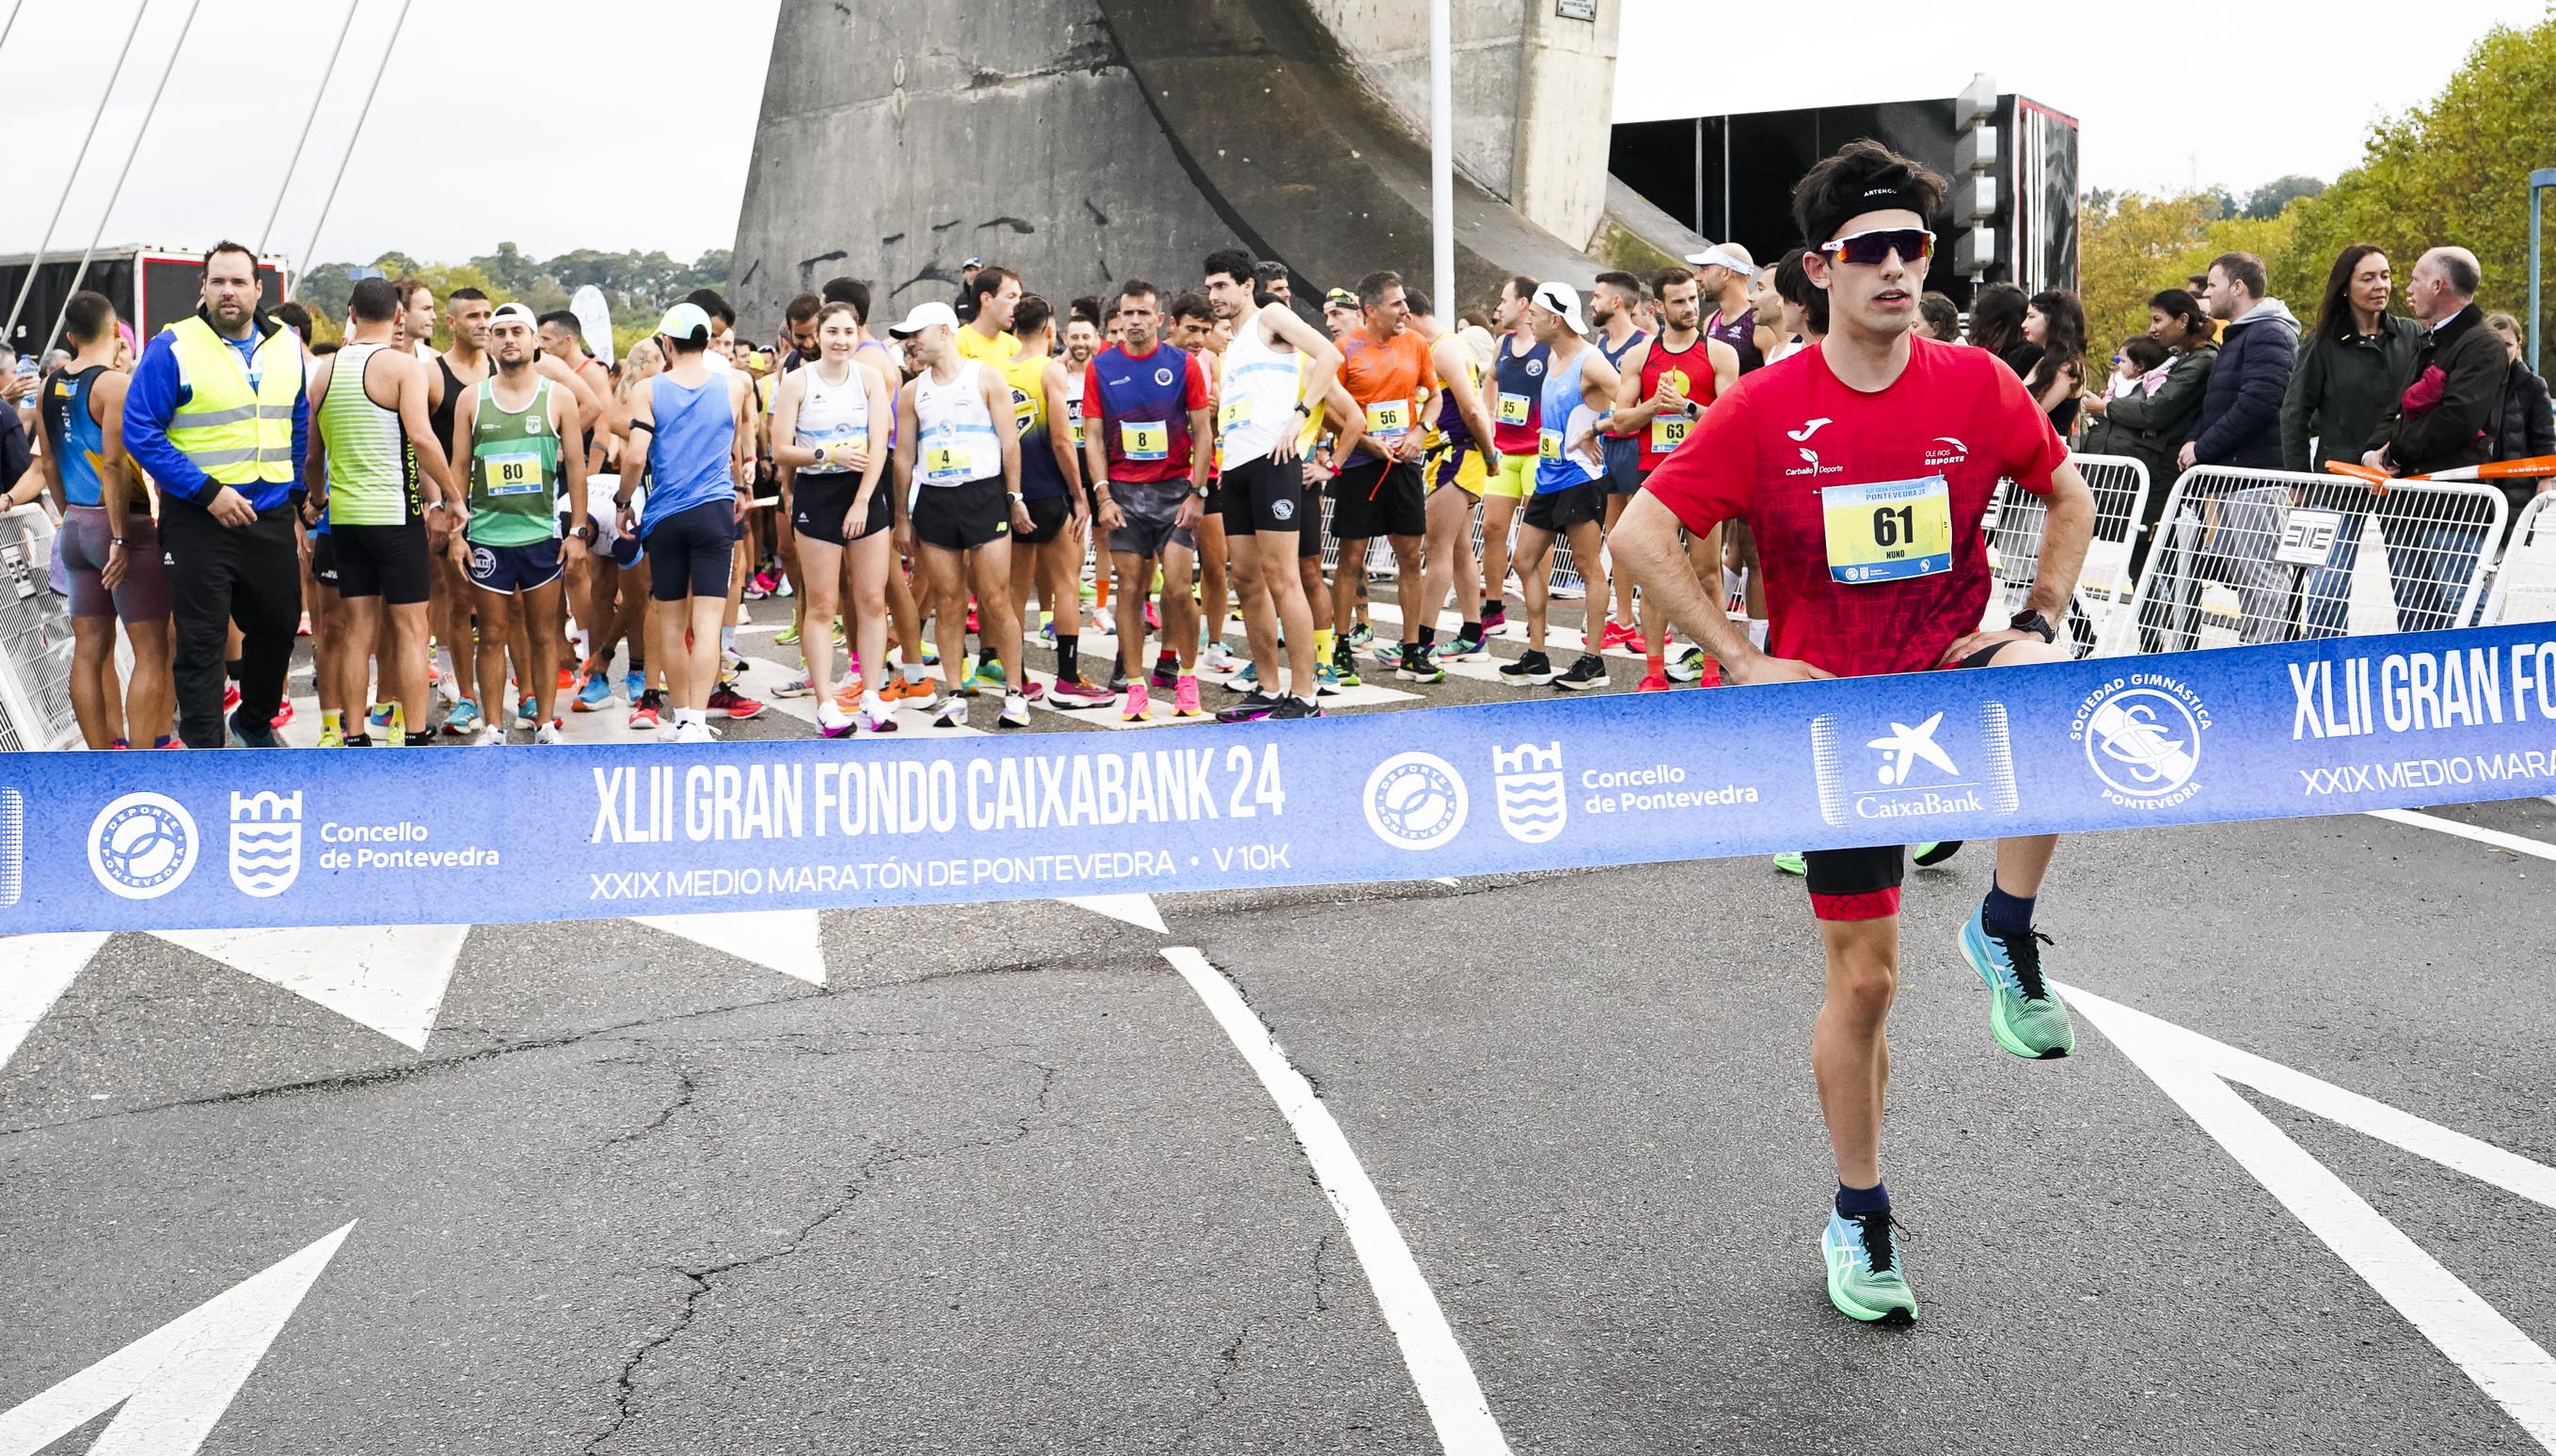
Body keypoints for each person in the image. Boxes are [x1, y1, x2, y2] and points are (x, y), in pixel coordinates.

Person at [1612, 138, 2097, 1328]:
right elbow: (1637, 536)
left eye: (1910, 249)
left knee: (2042, 681)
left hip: (1946, 668)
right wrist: (1740, 657)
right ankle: (1858, 1212)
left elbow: (2067, 494)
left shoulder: (1976, 383)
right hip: (1832, 713)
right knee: (1868, 985)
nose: (1892, 268)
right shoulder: (1766, 406)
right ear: (1820, 269)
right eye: (1866, 251)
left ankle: (2006, 921)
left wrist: (2032, 609)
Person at [119, 242, 309, 749]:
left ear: (258, 289)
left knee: (279, 624)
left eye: (239, 282)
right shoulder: (173, 346)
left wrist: (294, 492)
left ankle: (254, 719)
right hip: (198, 518)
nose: (229, 291)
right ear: (202, 287)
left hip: (267, 515)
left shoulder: (287, 343)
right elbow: (140, 432)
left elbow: (296, 417)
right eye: (218, 281)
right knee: (201, 643)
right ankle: (207, 754)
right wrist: (208, 493)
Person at [305, 277, 457, 747]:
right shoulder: (401, 367)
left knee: (357, 632)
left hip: (347, 520)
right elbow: (422, 436)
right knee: (412, 629)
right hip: (395, 516)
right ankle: (413, 733)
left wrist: (318, 499)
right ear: (397, 316)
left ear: (350, 314)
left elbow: (313, 457)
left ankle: (352, 735)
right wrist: (453, 496)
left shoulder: (324, 370)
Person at [1201, 247, 1344, 720]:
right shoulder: (1230, 344)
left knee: (1283, 577)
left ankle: (1304, 693)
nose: (1213, 295)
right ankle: (1267, 686)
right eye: (1209, 288)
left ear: (1246, 286)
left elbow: (1329, 353)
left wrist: (1301, 416)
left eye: (1221, 285)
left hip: (1274, 462)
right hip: (1238, 466)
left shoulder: (1272, 317)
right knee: (1245, 579)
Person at [31, 291, 174, 749]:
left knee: (90, 650)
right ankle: (140, 760)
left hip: (74, 523)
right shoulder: (115, 385)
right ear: (115, 332)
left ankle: (99, 758)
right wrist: (118, 538)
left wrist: (73, 513)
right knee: (152, 650)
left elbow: (49, 465)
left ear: (71, 336)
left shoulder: (46, 387)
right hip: (121, 526)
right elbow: (113, 465)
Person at [446, 304, 590, 744]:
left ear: (533, 342)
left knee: (543, 633)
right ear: (490, 342)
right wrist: (456, 534)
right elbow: (459, 466)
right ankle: (492, 727)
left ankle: (544, 722)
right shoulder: (473, 399)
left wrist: (578, 531)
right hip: (488, 536)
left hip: (541, 536)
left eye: (517, 332)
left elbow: (579, 470)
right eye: (500, 332)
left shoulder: (557, 397)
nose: (508, 339)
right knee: (489, 635)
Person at [891, 298, 1033, 729]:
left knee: (996, 598)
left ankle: (1014, 693)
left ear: (944, 331)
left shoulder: (986, 377)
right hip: (936, 500)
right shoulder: (913, 390)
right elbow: (904, 460)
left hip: (984, 496)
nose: (911, 343)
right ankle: (954, 693)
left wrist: (1014, 496)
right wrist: (902, 516)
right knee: (948, 601)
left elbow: (1010, 442)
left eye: (916, 333)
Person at [617, 302, 754, 743]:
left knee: (672, 622)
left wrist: (624, 501)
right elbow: (733, 445)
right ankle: (698, 718)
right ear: (708, 341)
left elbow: (636, 455)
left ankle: (679, 718)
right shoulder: (735, 385)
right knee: (709, 621)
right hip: (714, 510)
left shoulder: (650, 390)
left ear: (667, 342)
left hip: (666, 514)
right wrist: (740, 486)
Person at [1083, 279, 1213, 720]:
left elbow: (1203, 431)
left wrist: (1198, 492)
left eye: (1143, 313)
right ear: (1119, 320)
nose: (1135, 321)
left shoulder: (1183, 364)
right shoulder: (1101, 367)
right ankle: (1135, 687)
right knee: (1131, 590)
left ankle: (1188, 679)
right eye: (1127, 314)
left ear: (1159, 319)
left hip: (1175, 491)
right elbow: (1093, 436)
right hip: (1124, 493)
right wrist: (1103, 496)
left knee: (1177, 589)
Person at [2359, 246, 2510, 625]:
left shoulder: (2482, 343)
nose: (2406, 288)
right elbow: (2397, 409)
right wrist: (2373, 452)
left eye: (2414, 279)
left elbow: (2457, 418)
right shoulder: (2431, 339)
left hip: (2451, 506)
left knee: (2464, 608)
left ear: (2438, 285)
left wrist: (2394, 455)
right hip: (2404, 501)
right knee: (2414, 613)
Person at [769, 299, 899, 735]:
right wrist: (827, 454)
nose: (841, 341)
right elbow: (781, 450)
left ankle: (871, 694)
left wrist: (864, 500)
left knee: (871, 600)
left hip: (863, 492)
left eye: (848, 332)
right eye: (832, 332)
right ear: (818, 337)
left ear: (858, 332)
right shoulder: (796, 382)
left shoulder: (871, 378)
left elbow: (879, 444)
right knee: (823, 604)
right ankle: (825, 701)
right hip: (817, 492)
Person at [1608, 265, 1739, 689]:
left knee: (1707, 575)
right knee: (1654, 574)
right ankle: (1653, 673)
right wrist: (1654, 407)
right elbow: (1620, 421)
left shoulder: (1720, 354)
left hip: (1704, 474)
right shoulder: (1640, 356)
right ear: (1657, 307)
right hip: (1654, 476)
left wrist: (1684, 407)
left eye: (1693, 299)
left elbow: (1731, 419)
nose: (1689, 308)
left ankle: (1712, 671)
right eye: (1679, 301)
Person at [1494, 282, 1617, 692]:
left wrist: (1598, 429)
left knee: (1587, 567)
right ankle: (1537, 654)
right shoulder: (1552, 355)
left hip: (1581, 479)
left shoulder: (1590, 361)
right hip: (1548, 477)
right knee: (1524, 561)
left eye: (1537, 314)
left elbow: (1630, 402)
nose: (1530, 318)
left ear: (1555, 319)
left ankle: (1593, 661)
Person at [1330, 270, 1437, 687]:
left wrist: (1420, 432)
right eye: (1396, 305)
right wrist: (1364, 442)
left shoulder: (1416, 343)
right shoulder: (1345, 349)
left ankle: (1412, 650)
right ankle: (1340, 648)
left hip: (1405, 462)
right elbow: (1331, 411)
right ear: (1370, 310)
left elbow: (1434, 395)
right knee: (1352, 558)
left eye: (1405, 304)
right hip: (1361, 465)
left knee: (1410, 556)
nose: (1406, 311)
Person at [993, 294, 1101, 704]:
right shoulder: (1051, 371)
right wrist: (1079, 494)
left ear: (1013, 328)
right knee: (1066, 584)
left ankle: (1017, 679)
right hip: (1051, 490)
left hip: (1010, 492)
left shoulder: (995, 370)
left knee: (1014, 592)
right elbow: (1061, 439)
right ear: (1050, 329)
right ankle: (1068, 678)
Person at [1404, 288, 1500, 678]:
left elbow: (1471, 406)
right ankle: (1473, 632)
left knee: (1437, 547)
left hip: (1459, 454)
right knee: (1459, 548)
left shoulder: (1444, 348)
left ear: (1409, 315)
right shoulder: (1441, 347)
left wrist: (1491, 454)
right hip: (1453, 455)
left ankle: (1420, 640)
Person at [2179, 250, 2299, 473]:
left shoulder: (2268, 333)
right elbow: (2219, 403)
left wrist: (2202, 448)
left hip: (2254, 481)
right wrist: (2193, 439)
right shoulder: (2240, 334)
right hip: (2235, 475)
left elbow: (2257, 404)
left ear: (2237, 287)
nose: (2206, 293)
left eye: (2213, 286)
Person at [1586, 272, 1653, 650]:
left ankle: (1650, 624)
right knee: (1616, 539)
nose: (1592, 303)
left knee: (1642, 538)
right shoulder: (1599, 344)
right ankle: (1623, 619)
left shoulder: (1644, 345)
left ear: (1616, 302)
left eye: (1597, 296)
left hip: (1636, 446)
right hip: (1607, 445)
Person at [1483, 275, 1547, 636]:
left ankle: (1538, 613)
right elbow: (1490, 381)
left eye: (1505, 299)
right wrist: (1487, 418)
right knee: (1493, 528)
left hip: (1538, 452)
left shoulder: (1547, 345)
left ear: (1524, 304)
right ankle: (1494, 607)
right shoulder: (1503, 343)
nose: (1499, 306)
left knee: (1537, 535)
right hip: (1504, 451)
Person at [2485, 312, 2555, 487]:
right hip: (2475, 490)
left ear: (2518, 346)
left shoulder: (2534, 387)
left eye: (2507, 344)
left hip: (2517, 492)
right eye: (2494, 343)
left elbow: (2544, 439)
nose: (2501, 349)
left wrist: (2545, 480)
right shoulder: (2469, 383)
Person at [1686, 243, 1765, 373]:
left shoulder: (1760, 323)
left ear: (1726, 273)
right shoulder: (1710, 322)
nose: (1697, 277)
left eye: (1704, 269)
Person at [2020, 291, 2087, 435]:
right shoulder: (2045, 360)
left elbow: (2031, 414)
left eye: (2031, 317)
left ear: (2053, 320)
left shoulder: (2068, 367)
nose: (2023, 324)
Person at [957, 266, 1022, 364]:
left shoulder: (1015, 346)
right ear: (986, 299)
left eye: (1019, 298)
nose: (1019, 304)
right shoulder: (957, 343)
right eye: (1011, 297)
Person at [1967, 282, 2033, 375]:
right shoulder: (2004, 352)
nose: (1985, 330)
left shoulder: (2026, 355)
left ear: (2013, 322)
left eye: (1992, 323)